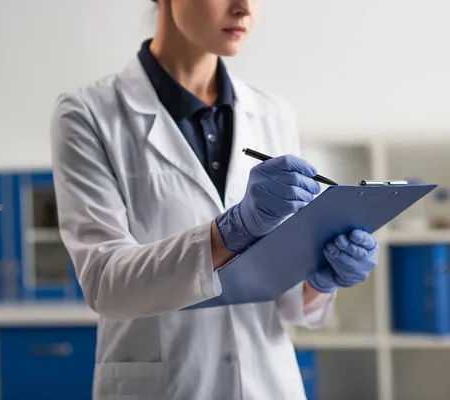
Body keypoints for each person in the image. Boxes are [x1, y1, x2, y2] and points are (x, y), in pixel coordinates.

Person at [50, 0, 379, 398]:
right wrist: (230, 231)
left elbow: (286, 300)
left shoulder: (273, 113)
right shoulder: (89, 113)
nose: (244, 8)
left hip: (267, 383)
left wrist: (319, 279)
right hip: (166, 385)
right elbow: (105, 283)